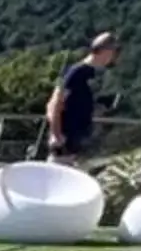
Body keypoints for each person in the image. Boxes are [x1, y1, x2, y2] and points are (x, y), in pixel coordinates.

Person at [45, 33, 121, 161]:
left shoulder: (91, 73)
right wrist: (56, 134)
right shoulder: (77, 72)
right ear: (106, 51)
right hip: (66, 139)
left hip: (79, 138)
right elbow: (54, 103)